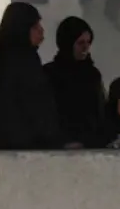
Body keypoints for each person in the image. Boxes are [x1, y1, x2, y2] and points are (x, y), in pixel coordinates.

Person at [0, 2, 63, 150]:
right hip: (24, 146)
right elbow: (36, 106)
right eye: (35, 27)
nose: (41, 31)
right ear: (22, 28)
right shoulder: (24, 59)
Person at [41, 15, 105, 149]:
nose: (85, 48)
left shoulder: (92, 74)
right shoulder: (50, 74)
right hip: (58, 148)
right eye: (80, 43)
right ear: (67, 43)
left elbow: (99, 113)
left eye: (88, 42)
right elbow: (47, 115)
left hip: (91, 147)